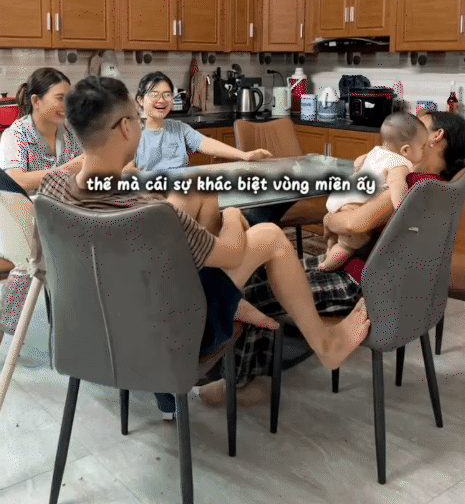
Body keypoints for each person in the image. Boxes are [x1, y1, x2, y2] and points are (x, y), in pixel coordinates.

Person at [32, 76, 370, 379]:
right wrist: (234, 214)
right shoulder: (152, 213)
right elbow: (231, 253)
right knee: (267, 235)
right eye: (135, 118)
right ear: (124, 128)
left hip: (92, 332)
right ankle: (326, 345)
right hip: (165, 339)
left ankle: (235, 302)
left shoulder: (52, 189)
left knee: (196, 192)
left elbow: (41, 264)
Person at [199, 109, 465, 405]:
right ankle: (260, 364)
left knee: (252, 294)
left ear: (436, 137)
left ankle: (240, 383)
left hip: (360, 282)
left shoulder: (412, 183)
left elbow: (353, 224)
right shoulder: (439, 187)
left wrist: (329, 219)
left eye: (420, 126)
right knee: (263, 271)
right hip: (377, 278)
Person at [319, 113, 428, 271]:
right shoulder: (400, 164)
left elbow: (357, 163)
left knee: (338, 234)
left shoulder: (376, 151)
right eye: (422, 147)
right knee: (347, 245)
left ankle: (328, 249)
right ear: (405, 150)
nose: (424, 151)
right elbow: (397, 186)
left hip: (341, 197)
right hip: (354, 205)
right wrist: (402, 209)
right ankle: (326, 266)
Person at [128, 71, 273, 175]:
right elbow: (126, 171)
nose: (162, 100)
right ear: (140, 100)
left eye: (167, 94)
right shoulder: (131, 132)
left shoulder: (179, 128)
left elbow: (206, 143)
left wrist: (244, 155)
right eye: (154, 94)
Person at [0, 67, 83, 192]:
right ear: (36, 101)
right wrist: (67, 169)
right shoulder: (16, 135)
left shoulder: (71, 132)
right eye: (60, 98)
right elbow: (16, 180)